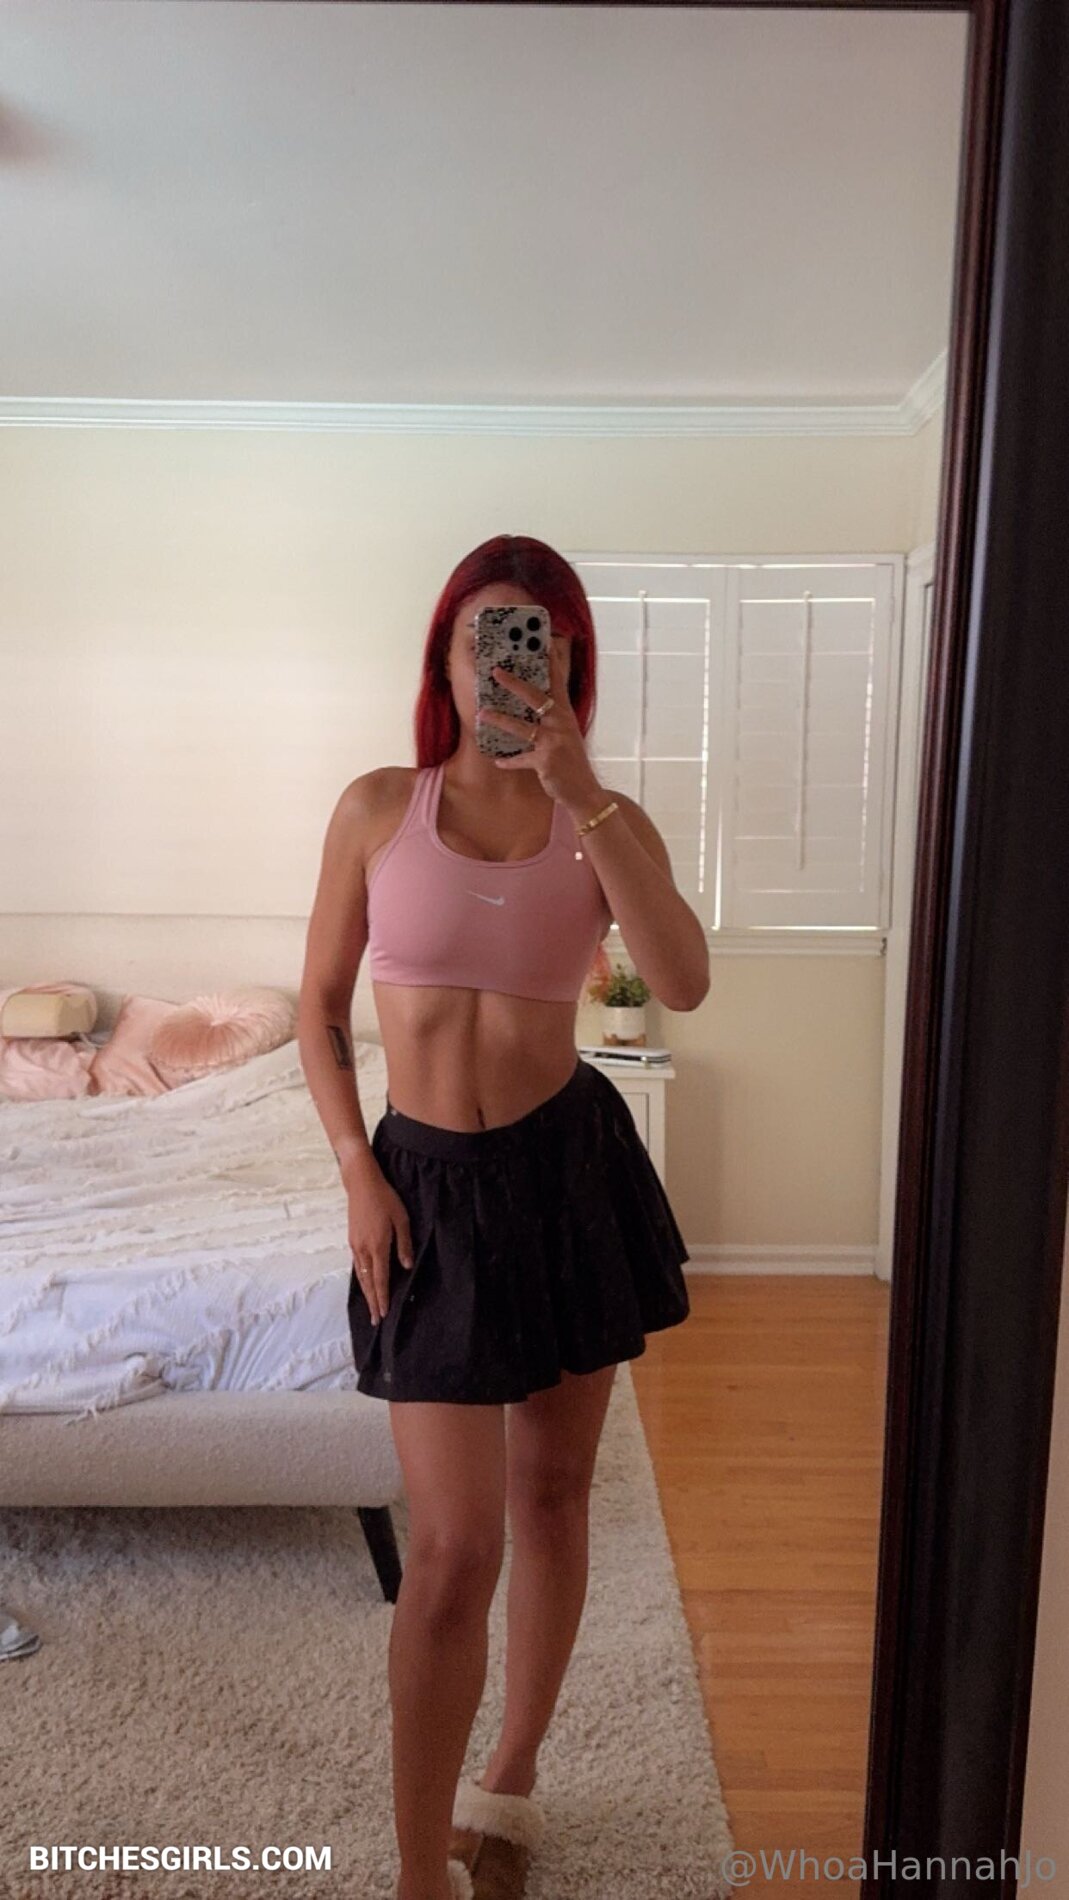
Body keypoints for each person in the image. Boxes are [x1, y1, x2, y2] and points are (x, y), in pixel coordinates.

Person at [298, 533, 710, 1900]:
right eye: (483, 632)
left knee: (551, 1492)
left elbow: (681, 981)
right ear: (444, 654)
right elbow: (316, 1007)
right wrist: (358, 1170)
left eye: (532, 634)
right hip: (425, 1184)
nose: (504, 659)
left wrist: (582, 793)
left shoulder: (606, 821)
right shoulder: (378, 808)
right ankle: (420, 1872)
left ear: (570, 659)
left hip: (568, 1174)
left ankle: (512, 1779)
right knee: (454, 1547)